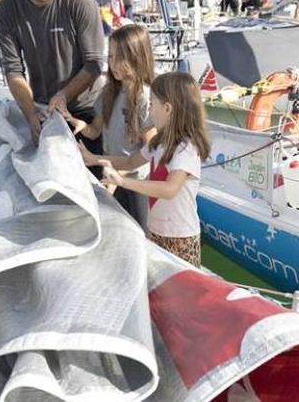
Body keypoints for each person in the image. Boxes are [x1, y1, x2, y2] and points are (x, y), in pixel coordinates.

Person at [81, 70, 211, 268]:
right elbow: (131, 161)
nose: (149, 110)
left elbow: (169, 189)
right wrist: (94, 159)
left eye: (152, 104)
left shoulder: (186, 148)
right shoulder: (159, 143)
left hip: (180, 237)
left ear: (167, 108)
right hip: (156, 230)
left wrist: (123, 182)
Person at [0, 0, 105, 146]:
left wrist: (64, 95)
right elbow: (14, 71)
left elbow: (93, 64)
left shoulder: (79, 1)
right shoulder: (6, 10)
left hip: (85, 111)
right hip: (42, 111)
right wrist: (31, 116)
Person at [70, 24, 155, 229]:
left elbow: (151, 151)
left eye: (120, 57)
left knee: (140, 236)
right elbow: (95, 131)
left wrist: (120, 175)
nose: (113, 63)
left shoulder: (145, 97)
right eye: (110, 56)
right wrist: (81, 125)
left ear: (137, 57)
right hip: (110, 176)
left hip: (135, 184)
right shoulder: (108, 92)